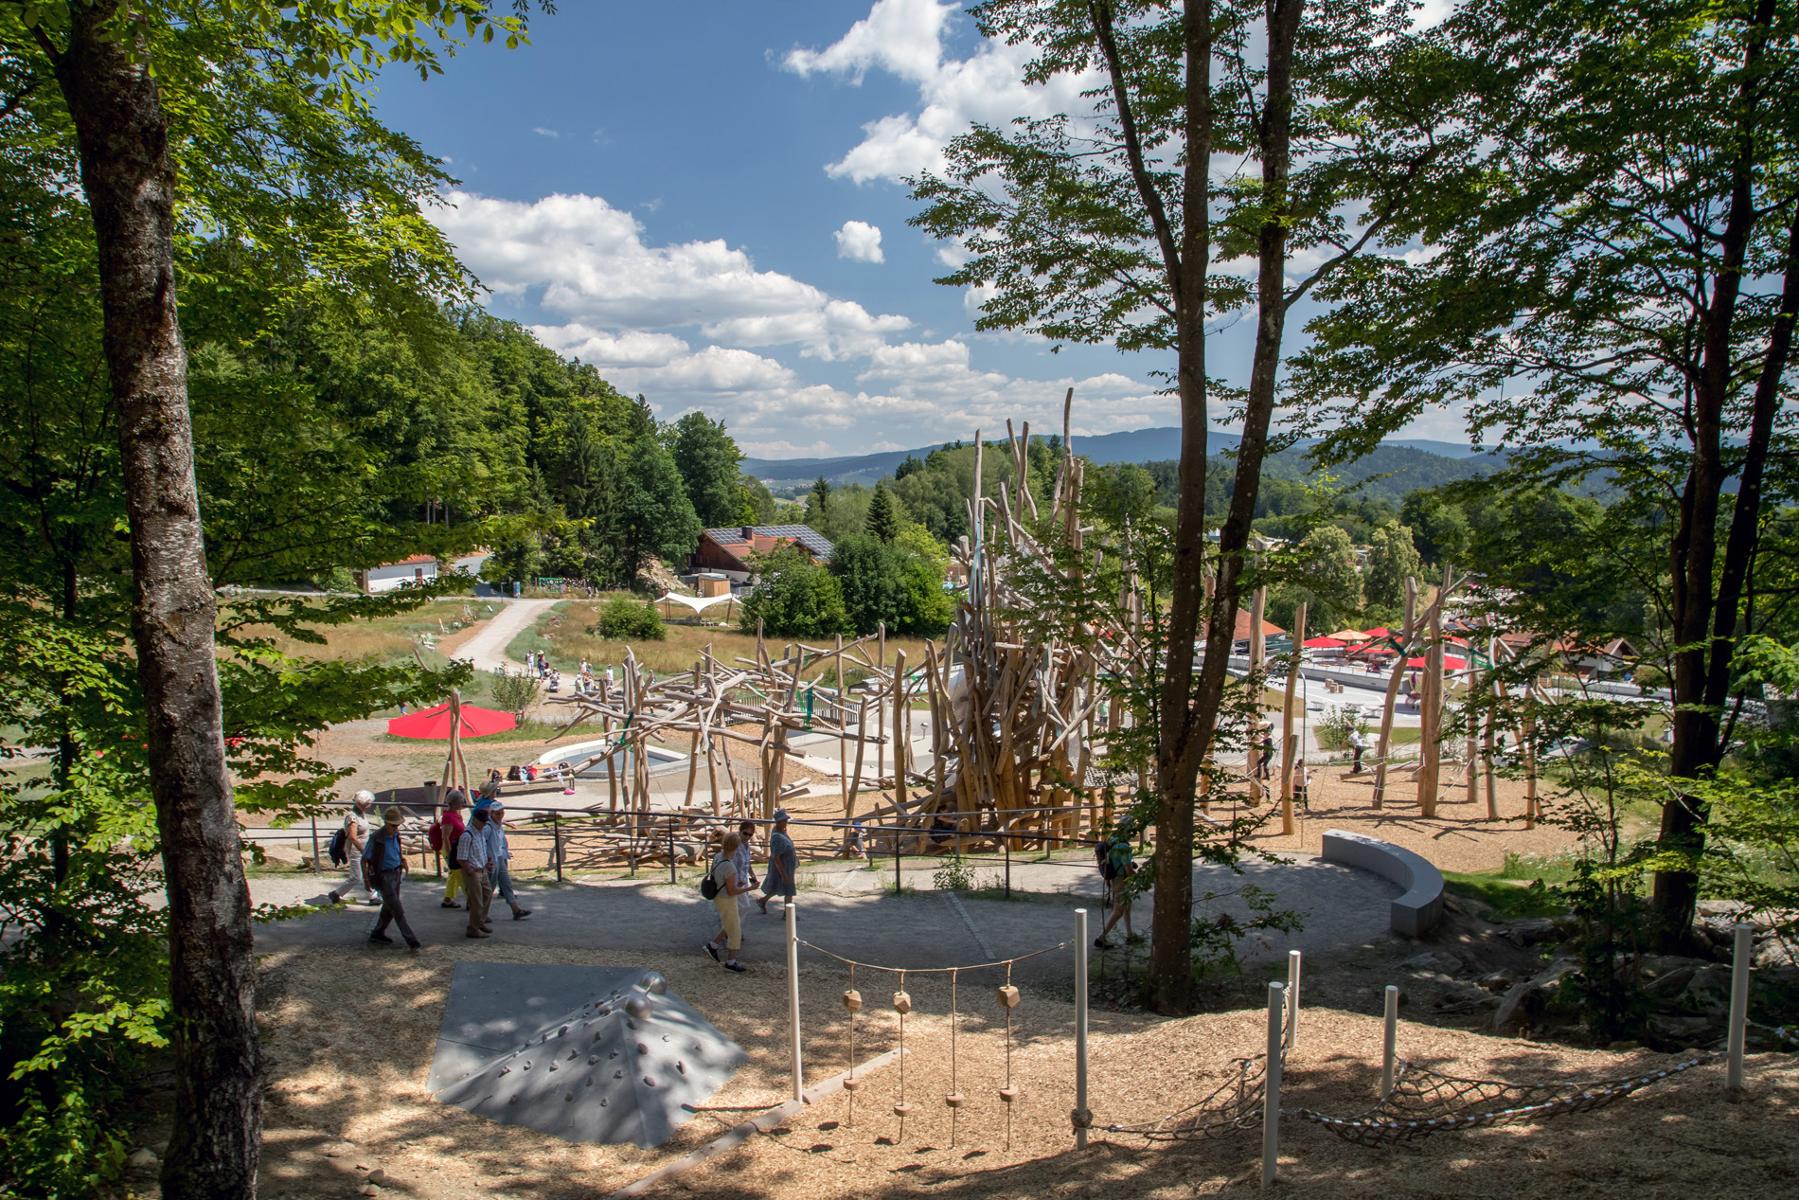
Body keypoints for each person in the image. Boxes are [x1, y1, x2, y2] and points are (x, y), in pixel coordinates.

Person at [363, 806, 421, 950]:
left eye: (397, 825)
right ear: (386, 823)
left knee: (389, 907)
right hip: (383, 876)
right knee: (397, 908)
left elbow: (395, 850)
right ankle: (411, 939)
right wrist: (366, 880)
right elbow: (364, 859)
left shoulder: (396, 835)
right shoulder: (376, 838)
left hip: (396, 873)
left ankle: (377, 933)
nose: (395, 828)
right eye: (393, 825)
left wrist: (402, 860)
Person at [704, 833, 751, 972]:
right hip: (726, 899)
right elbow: (732, 891)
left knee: (731, 924)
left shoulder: (718, 857)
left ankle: (713, 945)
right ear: (736, 847)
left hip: (719, 896)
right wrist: (750, 888)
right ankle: (731, 962)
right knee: (735, 930)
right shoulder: (730, 866)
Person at [482, 799, 531, 920]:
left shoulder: (498, 826)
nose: (500, 816)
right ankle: (482, 914)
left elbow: (501, 842)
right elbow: (482, 844)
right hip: (491, 859)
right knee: (490, 887)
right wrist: (486, 860)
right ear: (491, 814)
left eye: (501, 813)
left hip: (499, 856)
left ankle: (515, 909)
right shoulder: (488, 828)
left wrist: (504, 854)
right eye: (497, 813)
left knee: (506, 883)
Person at [327, 790, 379, 905]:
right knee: (356, 877)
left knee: (370, 871)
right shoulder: (353, 817)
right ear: (364, 803)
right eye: (369, 803)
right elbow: (352, 837)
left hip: (364, 848)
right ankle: (336, 893)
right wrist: (363, 850)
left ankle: (373, 896)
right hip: (357, 851)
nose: (370, 805)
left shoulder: (360, 813)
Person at [1093, 818, 1138, 949]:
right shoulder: (1124, 847)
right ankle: (1101, 938)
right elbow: (1128, 871)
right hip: (1121, 880)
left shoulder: (1113, 839)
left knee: (1127, 905)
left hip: (1113, 879)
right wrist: (1141, 878)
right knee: (1118, 910)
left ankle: (1130, 934)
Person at [458, 806, 494, 938]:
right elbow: (461, 857)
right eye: (483, 821)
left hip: (482, 869)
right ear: (475, 820)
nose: (485, 824)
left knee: (487, 895)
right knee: (477, 901)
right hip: (473, 872)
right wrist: (469, 869)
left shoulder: (480, 833)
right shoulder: (467, 835)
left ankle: (479, 922)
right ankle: (473, 928)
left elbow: (481, 851)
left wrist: (487, 862)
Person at [758, 809, 797, 914]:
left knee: (776, 886)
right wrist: (784, 874)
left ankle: (762, 901)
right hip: (783, 867)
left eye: (786, 820)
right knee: (789, 889)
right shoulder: (777, 837)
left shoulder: (782, 831)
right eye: (784, 820)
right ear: (779, 822)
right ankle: (788, 913)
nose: (786, 822)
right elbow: (776, 857)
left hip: (788, 865)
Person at [436, 790, 469, 909]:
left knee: (454, 875)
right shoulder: (448, 817)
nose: (463, 804)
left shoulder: (456, 815)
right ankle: (471, 899)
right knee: (461, 875)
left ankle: (448, 899)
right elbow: (445, 837)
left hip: (458, 848)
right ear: (454, 803)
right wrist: (450, 854)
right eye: (461, 801)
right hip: (452, 849)